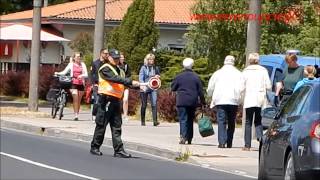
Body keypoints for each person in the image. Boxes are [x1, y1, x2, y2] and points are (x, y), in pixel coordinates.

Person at [90, 49, 140, 158]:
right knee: (102, 124)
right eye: (114, 58)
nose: (117, 60)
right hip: (106, 100)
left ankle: (119, 150)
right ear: (109, 58)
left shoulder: (120, 70)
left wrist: (140, 86)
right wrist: (131, 81)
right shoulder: (105, 68)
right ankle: (95, 147)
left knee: (117, 126)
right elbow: (115, 79)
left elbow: (123, 82)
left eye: (118, 58)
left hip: (116, 101)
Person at [207, 55, 244, 148]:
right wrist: (241, 100)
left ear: (224, 61)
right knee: (231, 122)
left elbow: (210, 87)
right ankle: (229, 142)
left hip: (220, 100)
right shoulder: (239, 74)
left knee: (221, 121)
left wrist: (210, 96)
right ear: (233, 62)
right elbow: (242, 88)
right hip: (233, 100)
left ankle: (222, 142)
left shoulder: (217, 73)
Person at [171, 58, 206, 144]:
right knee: (190, 119)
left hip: (182, 100)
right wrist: (203, 102)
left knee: (183, 119)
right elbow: (201, 91)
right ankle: (189, 138)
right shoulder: (196, 77)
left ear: (183, 65)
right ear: (192, 65)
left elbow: (173, 88)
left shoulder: (178, 76)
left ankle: (183, 137)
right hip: (192, 101)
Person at [242, 53, 271, 151]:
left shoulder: (246, 71)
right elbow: (269, 86)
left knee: (248, 121)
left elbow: (241, 86)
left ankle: (247, 145)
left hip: (249, 98)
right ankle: (260, 138)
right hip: (260, 98)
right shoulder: (263, 70)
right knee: (258, 120)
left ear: (249, 60)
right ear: (258, 60)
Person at [55, 52, 88, 121]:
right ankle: (75, 115)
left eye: (79, 57)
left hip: (81, 83)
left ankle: (77, 113)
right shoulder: (71, 64)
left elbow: (86, 74)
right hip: (73, 83)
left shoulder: (83, 64)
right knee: (75, 97)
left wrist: (81, 76)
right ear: (74, 58)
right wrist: (58, 73)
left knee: (79, 100)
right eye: (77, 57)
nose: (79, 58)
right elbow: (64, 72)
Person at [139, 53, 160, 126]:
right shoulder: (143, 67)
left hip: (153, 88)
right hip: (144, 87)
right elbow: (141, 78)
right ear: (147, 60)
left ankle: (155, 121)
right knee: (144, 104)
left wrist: (157, 76)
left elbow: (158, 76)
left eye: (153, 59)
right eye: (150, 59)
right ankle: (142, 121)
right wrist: (142, 86)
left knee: (154, 103)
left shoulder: (155, 68)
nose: (152, 60)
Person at [90, 49, 109, 116]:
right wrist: (93, 84)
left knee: (104, 102)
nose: (107, 55)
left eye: (107, 54)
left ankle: (101, 116)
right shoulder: (95, 63)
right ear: (101, 54)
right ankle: (94, 114)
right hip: (97, 84)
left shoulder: (108, 63)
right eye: (105, 53)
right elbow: (92, 74)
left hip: (106, 85)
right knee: (97, 101)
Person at [118, 52, 131, 122]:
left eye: (123, 57)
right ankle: (117, 115)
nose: (122, 59)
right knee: (117, 101)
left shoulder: (126, 65)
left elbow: (129, 75)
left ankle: (125, 115)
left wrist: (126, 80)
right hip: (118, 86)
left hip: (125, 85)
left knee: (125, 100)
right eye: (120, 57)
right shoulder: (116, 65)